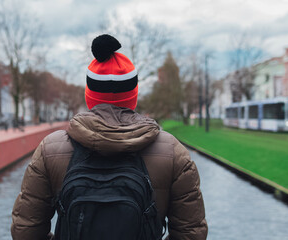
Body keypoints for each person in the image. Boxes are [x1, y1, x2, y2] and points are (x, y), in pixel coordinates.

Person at [11, 34, 207, 239]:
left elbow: (25, 231)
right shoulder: (173, 152)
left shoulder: (50, 149)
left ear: (89, 95)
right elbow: (191, 233)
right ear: (134, 95)